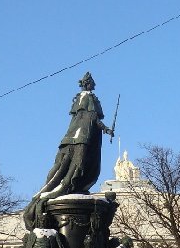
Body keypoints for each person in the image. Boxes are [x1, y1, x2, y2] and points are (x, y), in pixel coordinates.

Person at [23, 72, 114, 229]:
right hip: (81, 137)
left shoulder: (86, 99)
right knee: (79, 164)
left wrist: (104, 129)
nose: (94, 85)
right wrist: (104, 128)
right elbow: (91, 119)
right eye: (92, 82)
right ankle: (70, 183)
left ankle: (76, 184)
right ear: (87, 84)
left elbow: (92, 119)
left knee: (81, 164)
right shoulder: (86, 99)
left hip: (81, 136)